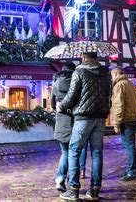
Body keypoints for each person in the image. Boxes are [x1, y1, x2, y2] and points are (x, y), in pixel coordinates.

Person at [56, 52, 111, 201]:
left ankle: (73, 190)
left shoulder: (79, 71)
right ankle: (94, 190)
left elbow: (72, 95)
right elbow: (108, 95)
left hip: (83, 118)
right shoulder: (106, 73)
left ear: (85, 58)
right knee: (97, 153)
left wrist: (61, 106)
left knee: (74, 151)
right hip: (100, 118)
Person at [110, 67, 136, 181]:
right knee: (131, 145)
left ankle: (132, 172)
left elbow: (119, 105)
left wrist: (116, 123)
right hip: (133, 118)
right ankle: (131, 170)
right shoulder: (131, 84)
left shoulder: (119, 85)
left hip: (126, 120)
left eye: (112, 76)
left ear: (115, 74)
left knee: (129, 146)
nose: (111, 78)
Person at [51, 62, 76, 193]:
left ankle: (60, 180)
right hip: (74, 122)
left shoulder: (55, 84)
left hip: (61, 122)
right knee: (74, 154)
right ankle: (72, 182)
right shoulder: (76, 83)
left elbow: (52, 104)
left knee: (65, 153)